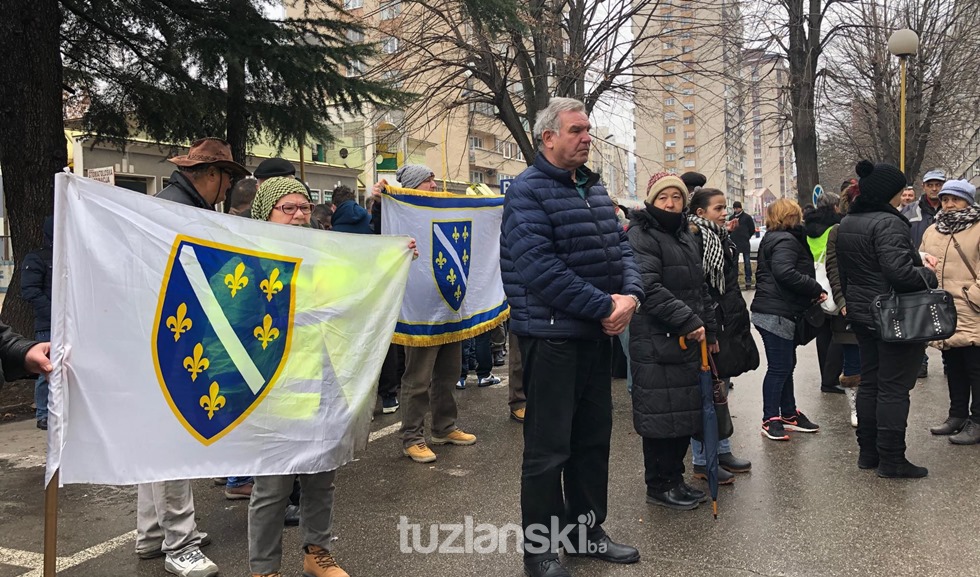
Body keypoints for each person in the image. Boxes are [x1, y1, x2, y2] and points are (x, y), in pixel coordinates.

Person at [501, 97, 643, 577]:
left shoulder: (594, 189)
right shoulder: (527, 191)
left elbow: (623, 248)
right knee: (548, 449)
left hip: (591, 335)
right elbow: (540, 268)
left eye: (589, 129)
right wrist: (606, 306)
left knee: (591, 440)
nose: (587, 137)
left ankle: (585, 534)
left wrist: (631, 297)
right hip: (552, 337)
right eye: (577, 130)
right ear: (549, 138)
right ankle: (540, 550)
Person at [140, 137, 249, 577]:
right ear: (209, 174)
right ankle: (179, 542)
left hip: (165, 334)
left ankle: (151, 533)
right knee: (174, 440)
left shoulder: (172, 205)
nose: (228, 189)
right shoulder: (179, 212)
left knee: (155, 440)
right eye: (227, 178)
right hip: (174, 337)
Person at [247, 177, 349, 577]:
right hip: (271, 388)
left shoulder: (324, 254)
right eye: (286, 208)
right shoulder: (246, 258)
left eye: (304, 207)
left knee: (321, 477)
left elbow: (357, 288)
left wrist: (392, 257)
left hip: (321, 383)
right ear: (266, 213)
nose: (298, 215)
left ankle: (316, 553)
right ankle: (264, 568)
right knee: (272, 488)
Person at [837, 160, 937, 478]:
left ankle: (868, 454)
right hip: (892, 316)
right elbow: (898, 272)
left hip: (864, 314)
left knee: (871, 382)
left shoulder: (849, 221)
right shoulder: (889, 223)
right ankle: (893, 460)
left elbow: (848, 271)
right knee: (893, 388)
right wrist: (928, 275)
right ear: (890, 193)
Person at [628, 173, 716, 510]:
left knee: (682, 414)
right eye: (663, 197)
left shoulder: (684, 235)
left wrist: (710, 329)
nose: (670, 203)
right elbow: (647, 288)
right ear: (651, 201)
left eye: (676, 197)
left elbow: (699, 287)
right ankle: (659, 484)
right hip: (657, 341)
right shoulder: (642, 235)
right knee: (660, 417)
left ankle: (675, 479)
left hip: (687, 341)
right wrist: (688, 320)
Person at [392, 164, 478, 464]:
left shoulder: (443, 211)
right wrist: (382, 200)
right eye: (428, 181)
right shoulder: (398, 214)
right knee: (417, 379)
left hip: (447, 306)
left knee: (448, 374)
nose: (433, 185)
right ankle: (412, 437)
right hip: (418, 310)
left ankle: (444, 427)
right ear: (415, 185)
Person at [687, 188, 755, 481]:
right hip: (709, 325)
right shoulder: (697, 238)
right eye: (718, 208)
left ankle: (722, 448)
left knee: (720, 389)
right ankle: (704, 458)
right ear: (701, 213)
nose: (724, 212)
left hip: (725, 322)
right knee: (707, 390)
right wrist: (709, 328)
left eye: (725, 207)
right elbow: (699, 288)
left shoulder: (720, 238)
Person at [750, 198, 826, 442]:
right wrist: (815, 288)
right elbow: (785, 272)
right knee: (780, 367)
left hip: (777, 311)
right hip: (776, 313)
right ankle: (770, 418)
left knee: (786, 364)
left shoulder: (775, 238)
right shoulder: (785, 240)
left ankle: (789, 413)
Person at [920, 180, 980, 444]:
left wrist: (972, 298)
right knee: (953, 364)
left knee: (975, 368)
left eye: (956, 199)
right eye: (945, 199)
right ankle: (956, 415)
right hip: (944, 310)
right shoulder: (933, 230)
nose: (949, 204)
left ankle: (977, 420)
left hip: (972, 310)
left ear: (968, 201)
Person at [825, 185, 863, 427]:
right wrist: (841, 301)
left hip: (878, 307)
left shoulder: (883, 225)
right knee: (852, 360)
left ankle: (872, 404)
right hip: (848, 307)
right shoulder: (837, 231)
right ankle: (855, 408)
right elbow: (833, 269)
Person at [903, 169, 944, 378]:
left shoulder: (953, 208)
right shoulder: (910, 211)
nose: (935, 188)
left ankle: (949, 358)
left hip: (945, 270)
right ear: (924, 187)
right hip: (918, 269)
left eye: (938, 184)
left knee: (946, 313)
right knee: (920, 316)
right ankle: (920, 360)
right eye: (931, 184)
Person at [804, 191, 845, 394]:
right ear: (835, 207)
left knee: (823, 333)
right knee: (839, 332)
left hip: (813, 281)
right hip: (831, 280)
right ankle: (831, 379)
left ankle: (825, 376)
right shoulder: (836, 227)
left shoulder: (807, 227)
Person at [20, 216, 53, 430]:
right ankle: (43, 413)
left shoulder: (71, 257)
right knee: (46, 367)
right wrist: (53, 312)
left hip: (70, 322)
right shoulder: (37, 258)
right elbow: (30, 291)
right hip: (48, 323)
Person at [728, 201, 756, 289]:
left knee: (747, 262)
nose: (736, 210)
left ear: (740, 208)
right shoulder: (731, 217)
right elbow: (729, 229)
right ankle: (735, 280)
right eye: (734, 208)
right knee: (734, 263)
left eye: (737, 208)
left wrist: (747, 236)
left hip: (744, 242)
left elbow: (752, 229)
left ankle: (748, 279)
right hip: (734, 243)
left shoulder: (747, 217)